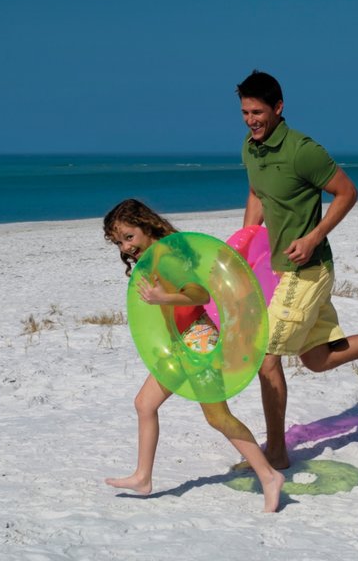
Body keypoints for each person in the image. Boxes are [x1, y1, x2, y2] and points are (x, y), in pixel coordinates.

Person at [237, 70, 358, 470]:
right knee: (318, 359)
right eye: (244, 112)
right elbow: (257, 192)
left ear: (278, 108)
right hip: (281, 268)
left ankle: (276, 451)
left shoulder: (303, 150)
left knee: (266, 356)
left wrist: (312, 236)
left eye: (257, 112)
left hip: (308, 269)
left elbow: (348, 192)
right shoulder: (249, 149)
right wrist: (245, 243)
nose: (250, 120)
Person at [102, 198, 285, 512]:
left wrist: (164, 297)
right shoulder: (154, 255)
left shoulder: (165, 256)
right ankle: (143, 477)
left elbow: (200, 293)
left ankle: (269, 476)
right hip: (179, 345)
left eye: (129, 237)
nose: (125, 247)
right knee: (144, 404)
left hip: (198, 342)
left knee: (218, 417)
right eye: (118, 242)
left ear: (147, 226)